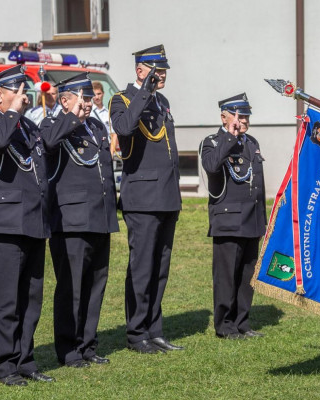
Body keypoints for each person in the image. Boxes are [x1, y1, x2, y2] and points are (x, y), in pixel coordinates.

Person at [0, 65, 55, 386]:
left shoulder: (26, 125)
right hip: (3, 226)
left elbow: (47, 151)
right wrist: (12, 114)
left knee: (31, 299)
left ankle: (25, 360)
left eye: (26, 92)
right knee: (6, 300)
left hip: (34, 222)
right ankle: (5, 366)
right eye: (18, 92)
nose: (24, 97)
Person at [40, 73, 118, 367]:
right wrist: (71, 117)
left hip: (99, 216)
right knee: (71, 287)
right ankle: (68, 349)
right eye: (83, 98)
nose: (89, 103)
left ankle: (88, 344)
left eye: (90, 97)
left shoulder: (97, 126)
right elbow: (47, 143)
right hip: (70, 220)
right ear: (65, 100)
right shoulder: (52, 124)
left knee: (95, 285)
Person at [109, 44, 183, 354]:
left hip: (166, 196)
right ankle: (136, 333)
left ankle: (155, 330)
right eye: (156, 68)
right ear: (141, 71)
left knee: (160, 269)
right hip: (142, 198)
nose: (162, 74)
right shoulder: (122, 99)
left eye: (164, 68)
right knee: (142, 267)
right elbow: (124, 127)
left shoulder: (162, 101)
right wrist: (144, 92)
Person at [200, 93, 266, 340]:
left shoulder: (252, 142)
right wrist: (230, 136)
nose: (243, 121)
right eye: (238, 116)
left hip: (252, 220)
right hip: (228, 221)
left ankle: (242, 323)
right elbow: (211, 166)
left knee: (247, 277)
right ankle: (225, 325)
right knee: (226, 277)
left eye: (246, 115)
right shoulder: (213, 141)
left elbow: (257, 185)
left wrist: (263, 220)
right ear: (224, 116)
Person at [89, 81, 117, 156]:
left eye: (99, 94)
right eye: (94, 95)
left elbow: (113, 135)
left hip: (106, 148)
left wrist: (111, 154)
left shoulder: (108, 113)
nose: (97, 97)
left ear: (103, 94)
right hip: (94, 148)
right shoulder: (88, 113)